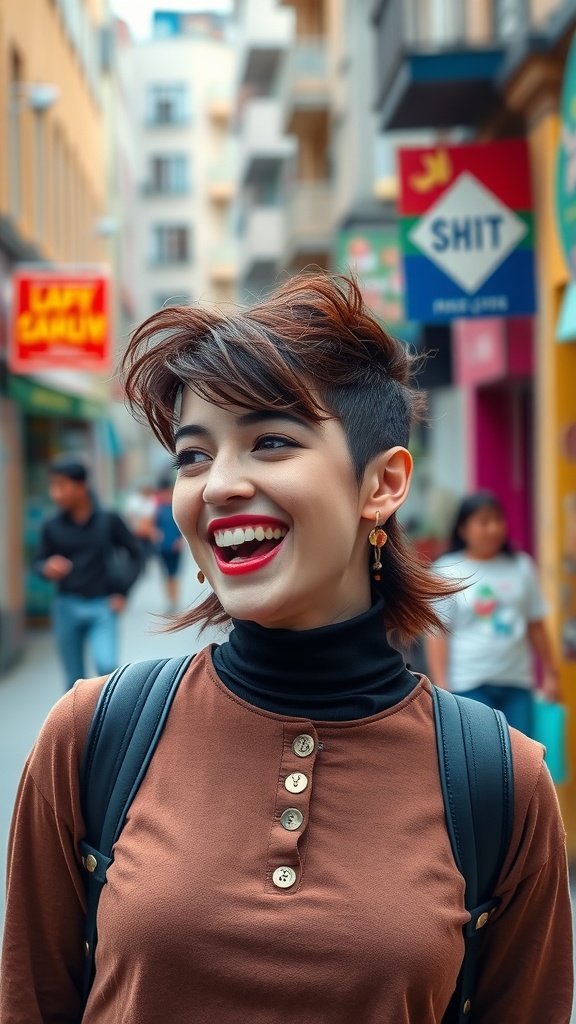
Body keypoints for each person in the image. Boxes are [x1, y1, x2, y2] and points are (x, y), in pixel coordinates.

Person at [0, 276, 572, 1023]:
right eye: (194, 455)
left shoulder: (503, 781)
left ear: (383, 484)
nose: (219, 486)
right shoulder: (90, 736)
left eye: (271, 442)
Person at [425, 491, 559, 737]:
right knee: (480, 762)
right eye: (484, 522)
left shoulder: (521, 566)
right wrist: (441, 687)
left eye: (498, 520)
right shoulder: (447, 571)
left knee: (522, 762)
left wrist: (551, 673)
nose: (493, 528)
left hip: (517, 684)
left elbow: (535, 624)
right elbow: (437, 632)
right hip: (467, 686)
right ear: (463, 529)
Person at [32, 455, 143, 690]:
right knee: (73, 681)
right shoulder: (52, 525)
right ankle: (78, 726)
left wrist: (123, 592)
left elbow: (136, 553)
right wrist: (47, 567)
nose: (55, 493)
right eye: (53, 486)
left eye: (61, 486)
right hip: (66, 607)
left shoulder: (108, 519)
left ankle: (108, 722)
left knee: (107, 667)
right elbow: (38, 562)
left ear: (81, 486)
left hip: (103, 606)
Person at [152, 474, 184, 613]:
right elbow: (152, 525)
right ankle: (169, 601)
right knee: (166, 575)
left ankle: (175, 601)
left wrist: (180, 540)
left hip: (175, 547)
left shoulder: (176, 507)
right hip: (162, 547)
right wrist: (155, 534)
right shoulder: (157, 508)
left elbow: (183, 527)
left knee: (174, 574)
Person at [123, 479, 158, 565]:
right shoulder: (134, 501)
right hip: (135, 533)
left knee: (146, 555)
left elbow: (152, 518)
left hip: (146, 534)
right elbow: (129, 517)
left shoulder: (151, 501)